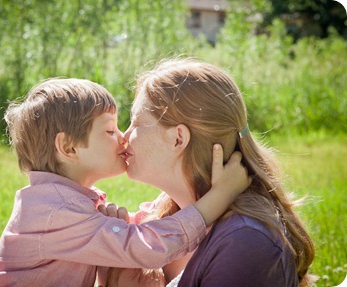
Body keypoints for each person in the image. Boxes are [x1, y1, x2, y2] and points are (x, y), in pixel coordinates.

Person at [0, 78, 250, 287]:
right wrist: (218, 198)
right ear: (68, 147)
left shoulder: (59, 202)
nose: (123, 137)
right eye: (109, 129)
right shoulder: (56, 211)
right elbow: (146, 248)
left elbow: (130, 234)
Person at [105, 58, 315, 287]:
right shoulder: (167, 215)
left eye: (136, 123)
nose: (125, 136)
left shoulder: (244, 242)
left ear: (178, 139)